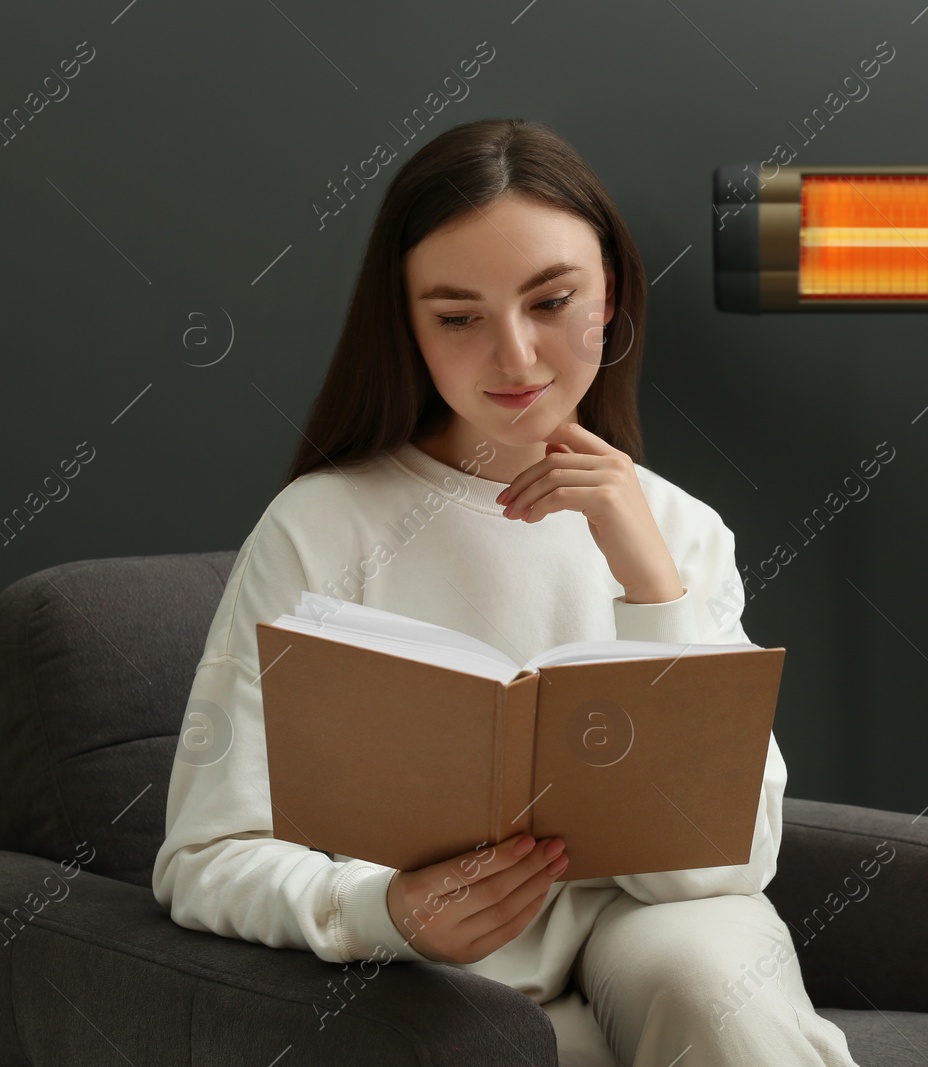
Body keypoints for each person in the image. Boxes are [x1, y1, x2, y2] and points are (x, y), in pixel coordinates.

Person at [151, 117, 859, 1067]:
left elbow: (727, 866)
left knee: (708, 978)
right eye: (458, 317)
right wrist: (383, 910)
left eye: (552, 300)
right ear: (404, 325)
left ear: (610, 293)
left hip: (654, 936)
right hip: (438, 981)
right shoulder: (318, 527)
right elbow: (203, 858)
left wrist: (651, 585)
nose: (518, 359)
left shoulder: (677, 527)